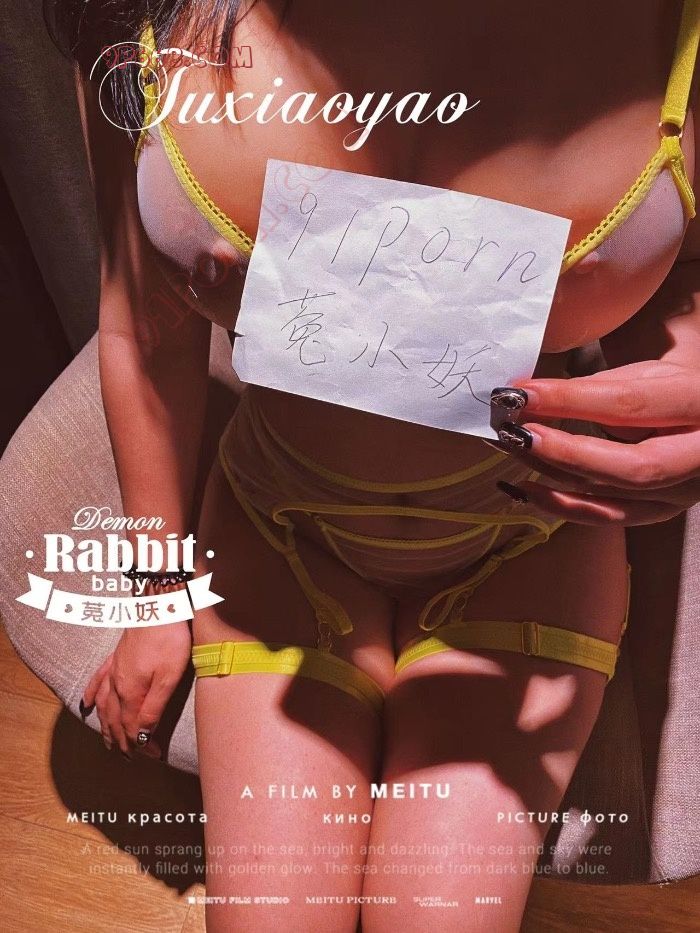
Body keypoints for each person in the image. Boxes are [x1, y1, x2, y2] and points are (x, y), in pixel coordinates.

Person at [49, 1, 700, 929]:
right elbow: (140, 325)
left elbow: (688, 271)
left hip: (528, 543)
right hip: (278, 534)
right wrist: (152, 591)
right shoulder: (135, 16)